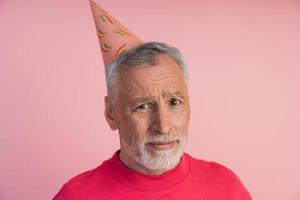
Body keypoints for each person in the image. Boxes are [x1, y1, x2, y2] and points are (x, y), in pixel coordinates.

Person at [53, 1, 252, 199]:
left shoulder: (226, 187)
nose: (163, 127)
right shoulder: (76, 195)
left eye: (174, 102)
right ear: (111, 113)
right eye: (143, 106)